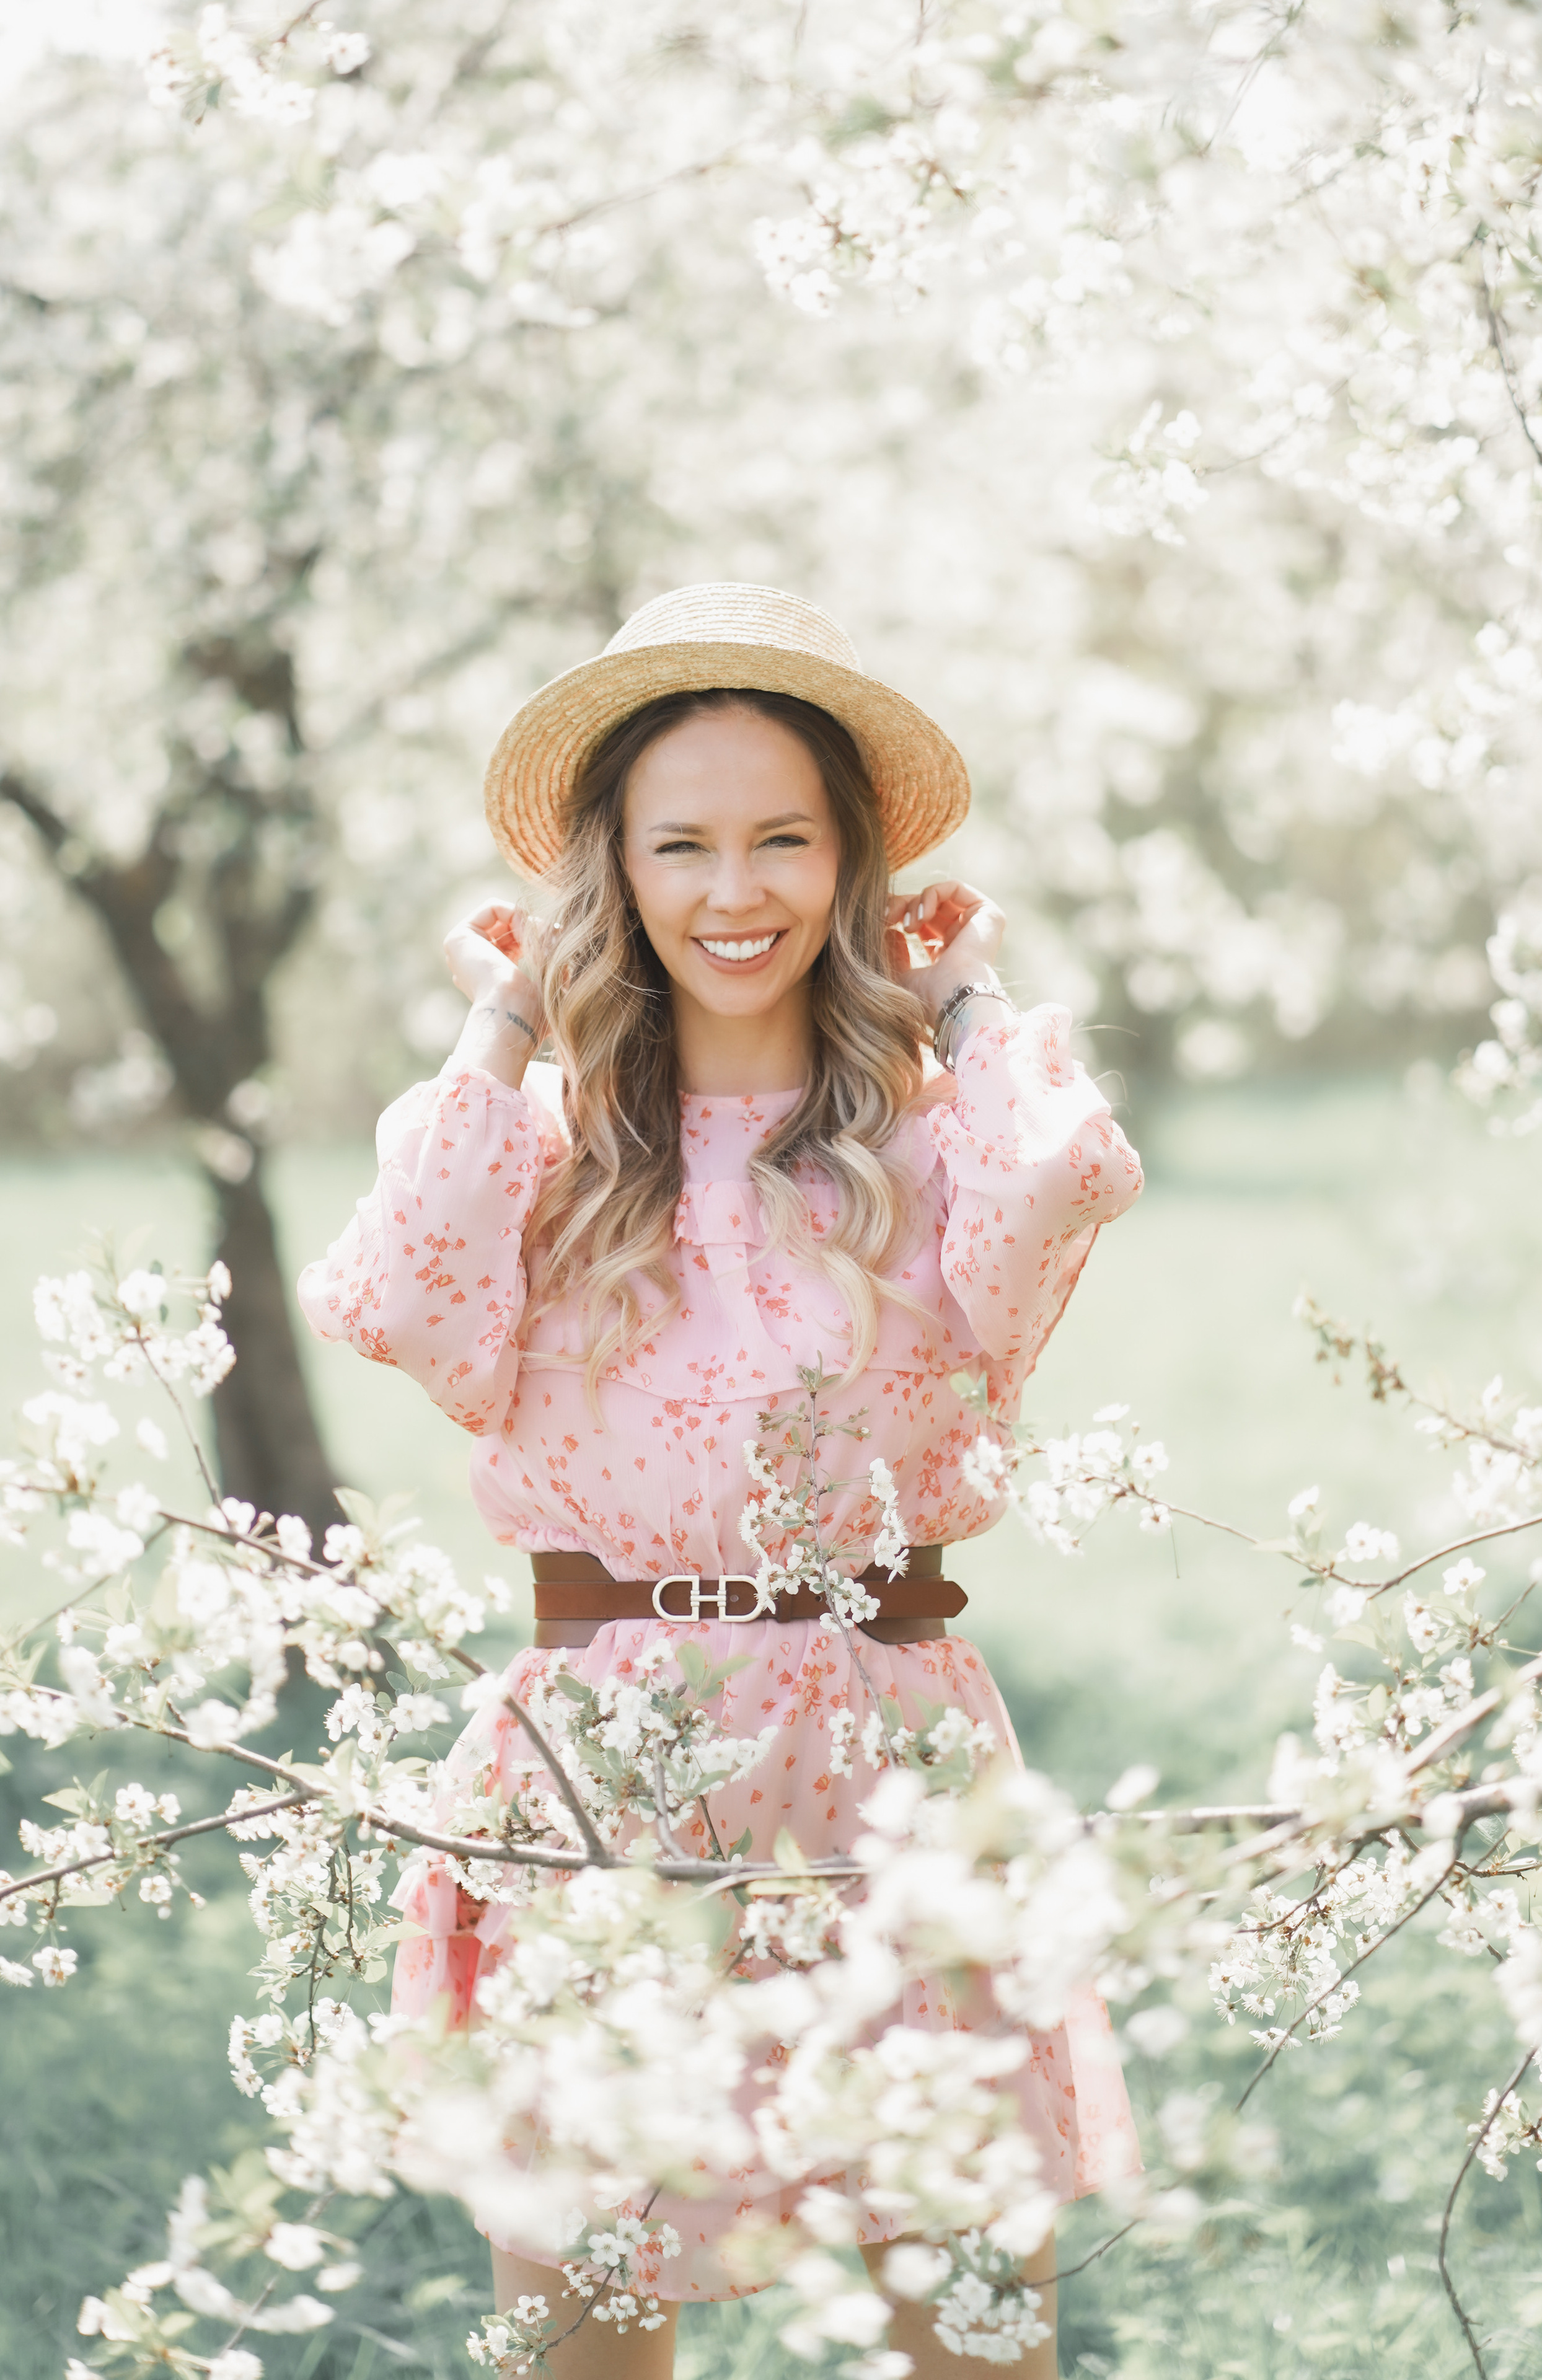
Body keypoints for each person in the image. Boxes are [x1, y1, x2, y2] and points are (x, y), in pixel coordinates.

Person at [299, 583, 1144, 2377]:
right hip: (607, 1774)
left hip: (890, 1771)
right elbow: (389, 1296)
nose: (733, 890)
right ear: (614, 874)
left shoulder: (931, 1149)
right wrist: (506, 1021)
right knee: (588, 2324)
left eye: (784, 838)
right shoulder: (539, 1158)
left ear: (850, 867)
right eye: (679, 844)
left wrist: (969, 999)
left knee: (971, 2327)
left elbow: (1070, 1175)